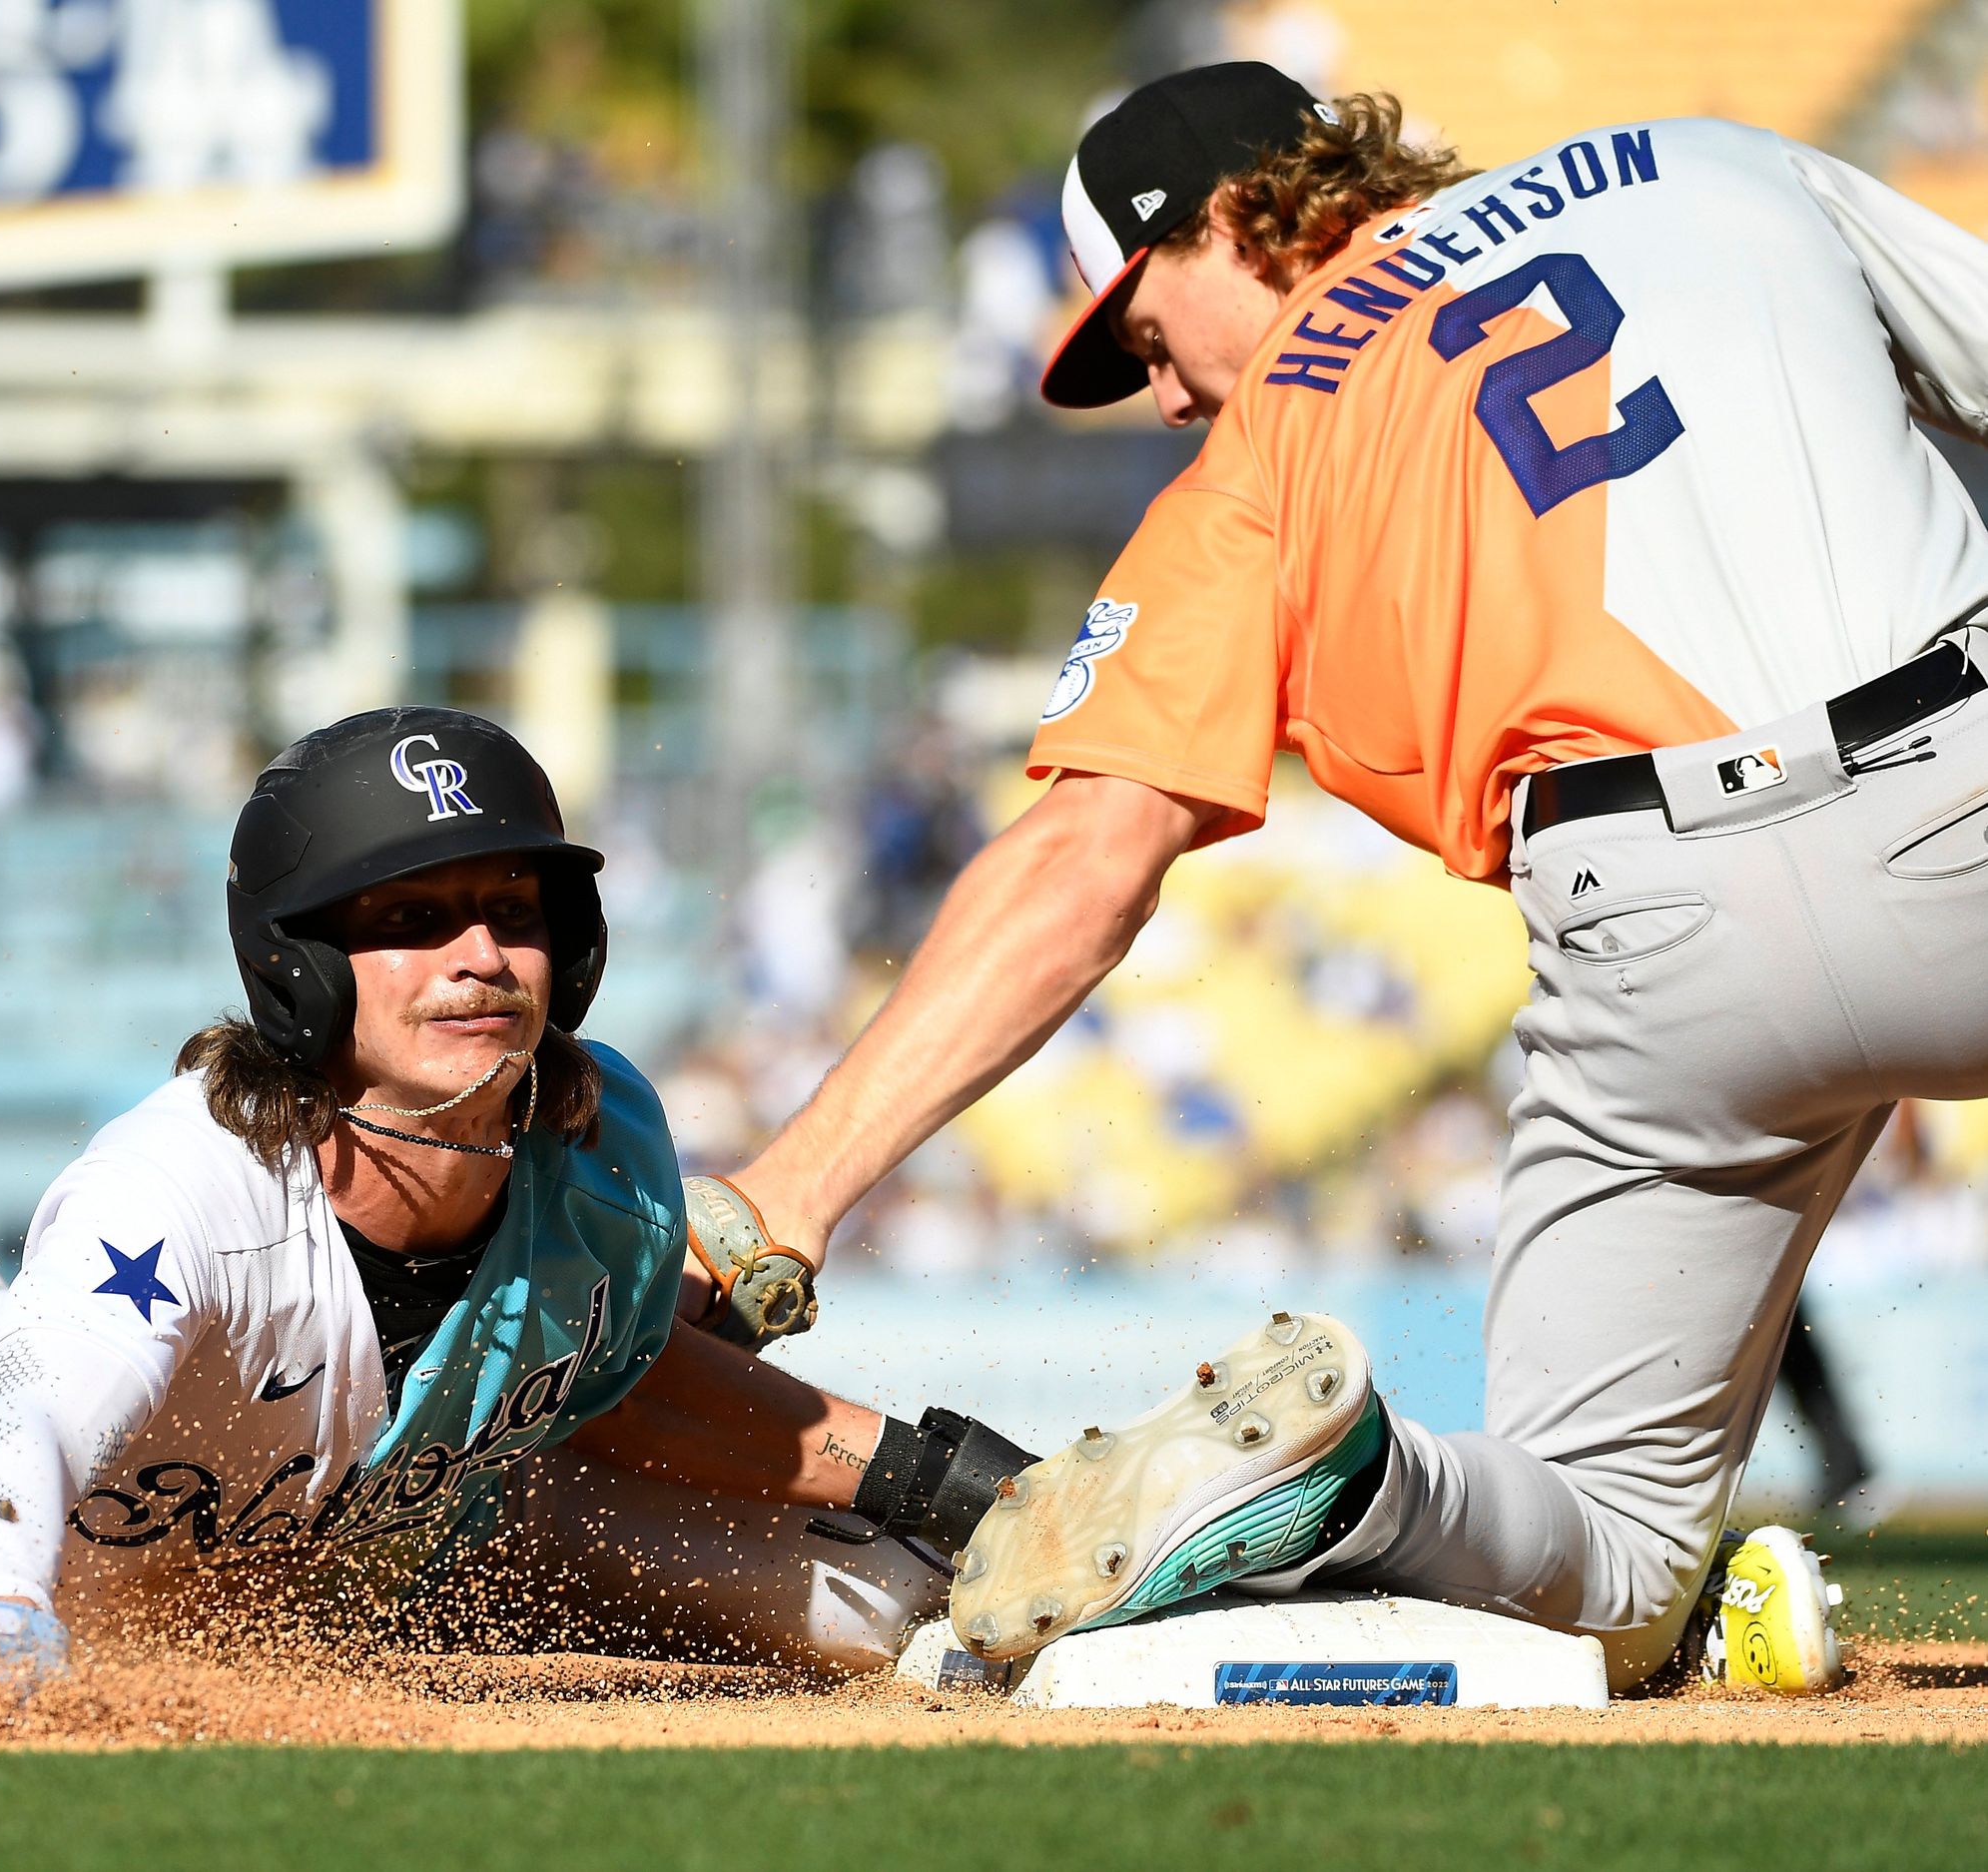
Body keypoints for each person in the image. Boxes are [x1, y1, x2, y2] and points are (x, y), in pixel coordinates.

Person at [714, 63, 1988, 1692]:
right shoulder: (1713, 166)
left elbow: (1087, 862)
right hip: (1955, 775)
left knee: (1601, 1568)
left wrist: (789, 1198)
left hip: (1652, 938)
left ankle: (1346, 1479)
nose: (1164, 397)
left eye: (1152, 336)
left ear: (1238, 220)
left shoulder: (1255, 468)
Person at [0, 709, 1035, 1692]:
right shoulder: (180, 1186)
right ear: (299, 966)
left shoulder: (608, 1149)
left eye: (513, 911)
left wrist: (940, 1482)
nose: (479, 954)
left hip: (433, 1547)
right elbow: (21, 1423)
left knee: (896, 1605)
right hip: (139, 1582)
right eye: (410, 921)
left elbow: (620, 1395)